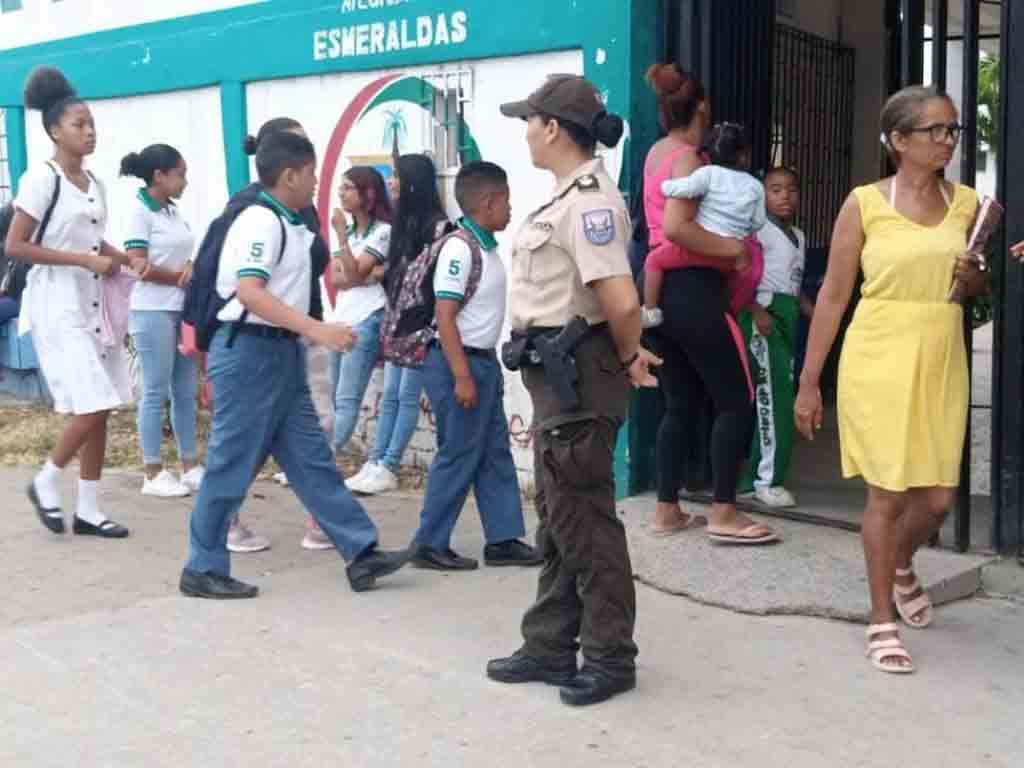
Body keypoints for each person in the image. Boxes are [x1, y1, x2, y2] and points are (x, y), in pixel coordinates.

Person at [795, 85, 985, 674]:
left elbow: (972, 295)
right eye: (936, 130)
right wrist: (809, 381)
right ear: (899, 140)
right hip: (878, 353)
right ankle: (881, 619)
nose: (948, 140)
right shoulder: (864, 204)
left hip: (941, 354)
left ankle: (901, 564)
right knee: (888, 493)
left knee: (937, 499)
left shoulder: (970, 205)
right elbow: (832, 295)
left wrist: (974, 279)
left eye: (953, 130)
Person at [486, 74, 660, 707]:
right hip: (559, 380)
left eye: (529, 121)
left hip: (578, 379)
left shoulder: (589, 202)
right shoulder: (565, 197)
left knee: (586, 522)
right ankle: (551, 644)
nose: (526, 132)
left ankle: (611, 656)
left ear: (553, 127)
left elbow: (620, 298)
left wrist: (626, 354)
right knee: (560, 520)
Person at [179, 131, 412, 599]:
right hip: (249, 351)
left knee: (311, 458)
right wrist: (317, 330)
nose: (316, 182)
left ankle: (360, 551)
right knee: (230, 463)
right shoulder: (260, 221)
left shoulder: (290, 221)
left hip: (278, 352)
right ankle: (202, 566)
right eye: (312, 174)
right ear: (289, 175)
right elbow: (250, 292)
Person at [644, 63, 779, 544]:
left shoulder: (657, 154)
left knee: (678, 405)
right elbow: (680, 227)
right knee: (736, 401)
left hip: (667, 296)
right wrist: (735, 251)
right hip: (699, 290)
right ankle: (724, 513)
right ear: (701, 107)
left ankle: (667, 511)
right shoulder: (690, 162)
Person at [8, 66, 136, 539]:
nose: (89, 132)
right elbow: (16, 246)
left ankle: (88, 509)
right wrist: (84, 260)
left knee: (101, 405)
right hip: (55, 301)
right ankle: (45, 480)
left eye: (92, 124)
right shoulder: (41, 179)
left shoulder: (95, 184)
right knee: (94, 400)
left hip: (92, 302)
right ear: (54, 130)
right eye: (79, 125)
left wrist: (124, 260)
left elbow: (96, 243)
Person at [410, 161, 541, 571]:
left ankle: (502, 539)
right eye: (506, 199)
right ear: (488, 201)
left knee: (494, 451)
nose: (511, 208)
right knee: (459, 453)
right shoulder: (459, 249)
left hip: (480, 363)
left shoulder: (484, 247)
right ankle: (429, 543)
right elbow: (445, 317)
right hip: (459, 364)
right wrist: (462, 375)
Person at [227, 117, 332, 554]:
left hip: (303, 331)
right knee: (252, 438)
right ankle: (222, 521)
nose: (313, 173)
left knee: (316, 429)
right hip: (269, 338)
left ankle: (330, 524)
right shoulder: (252, 211)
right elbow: (244, 288)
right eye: (304, 158)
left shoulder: (300, 209)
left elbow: (312, 262)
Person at [346, 155, 449, 496]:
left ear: (414, 182)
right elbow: (386, 273)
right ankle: (375, 461)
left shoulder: (439, 228)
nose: (391, 184)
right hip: (396, 323)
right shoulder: (403, 226)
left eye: (398, 179)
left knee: (406, 396)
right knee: (390, 394)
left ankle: (390, 464)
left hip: (421, 327)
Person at [121, 144, 204, 498]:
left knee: (185, 391)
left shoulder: (172, 211)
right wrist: (178, 278)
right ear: (160, 176)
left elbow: (182, 257)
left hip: (180, 309)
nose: (185, 181)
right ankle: (152, 471)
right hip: (152, 309)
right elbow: (137, 264)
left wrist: (191, 270)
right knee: (155, 392)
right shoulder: (140, 212)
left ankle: (190, 465)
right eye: (180, 174)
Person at [737, 167, 815, 508]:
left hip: (788, 314)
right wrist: (755, 310)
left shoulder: (799, 235)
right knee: (776, 400)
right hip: (764, 315)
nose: (785, 196)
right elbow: (738, 276)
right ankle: (768, 481)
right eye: (776, 190)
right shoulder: (757, 231)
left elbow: (795, 288)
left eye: (791, 190)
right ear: (762, 195)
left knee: (773, 399)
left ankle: (751, 478)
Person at [645, 122, 765, 328]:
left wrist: (665, 187)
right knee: (744, 271)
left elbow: (686, 188)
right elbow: (758, 221)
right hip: (728, 259)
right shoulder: (755, 186)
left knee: (654, 261)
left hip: (700, 252)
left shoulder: (707, 173)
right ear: (744, 156)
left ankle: (650, 311)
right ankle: (731, 311)